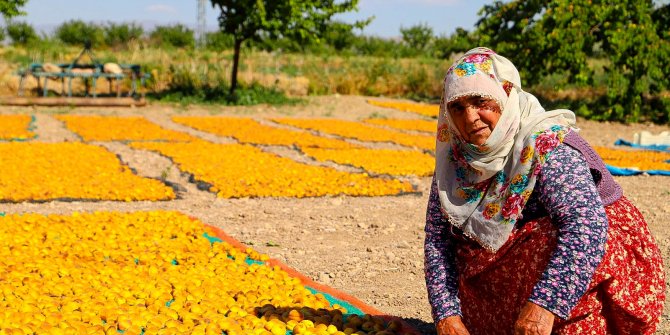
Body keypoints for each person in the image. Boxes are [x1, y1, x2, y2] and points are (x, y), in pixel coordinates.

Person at [424, 47, 665, 335]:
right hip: (516, 271)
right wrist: (446, 316)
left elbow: (586, 226)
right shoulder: (455, 161)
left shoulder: (546, 146)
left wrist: (544, 306)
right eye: (457, 107)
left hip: (589, 262)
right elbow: (437, 238)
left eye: (480, 101)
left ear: (506, 95)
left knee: (549, 238)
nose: (470, 117)